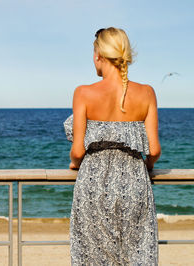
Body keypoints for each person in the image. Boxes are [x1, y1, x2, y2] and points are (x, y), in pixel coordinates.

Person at [64, 27, 161, 265]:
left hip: (93, 186)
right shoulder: (147, 92)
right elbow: (154, 150)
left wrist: (75, 164)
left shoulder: (83, 93)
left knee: (93, 256)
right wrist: (146, 166)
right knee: (137, 254)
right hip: (134, 184)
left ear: (99, 55)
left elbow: (77, 151)